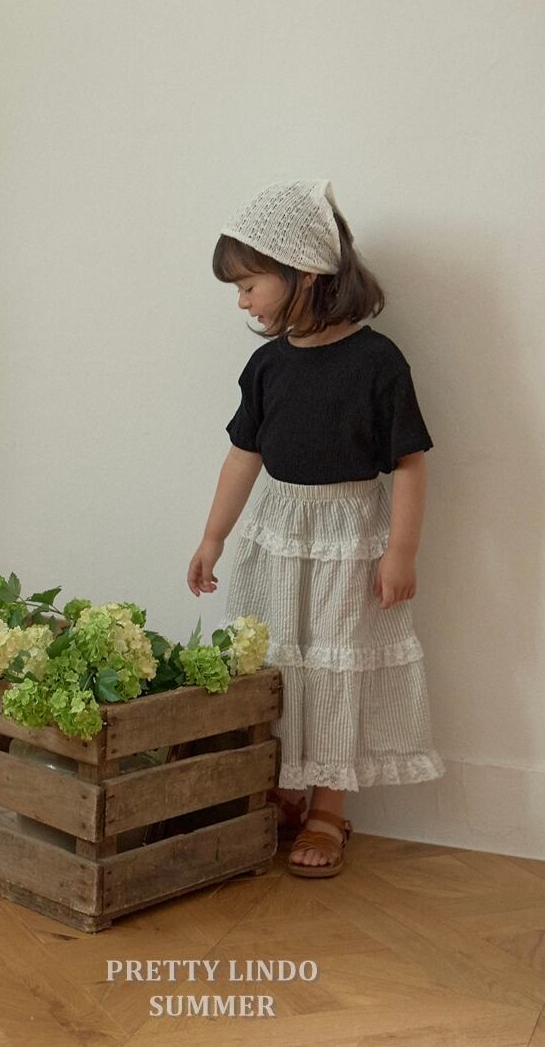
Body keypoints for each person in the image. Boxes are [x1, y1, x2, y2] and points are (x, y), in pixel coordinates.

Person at [187, 178, 445, 879]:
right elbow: (244, 455)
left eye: (249, 285)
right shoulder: (268, 366)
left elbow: (409, 464)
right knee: (276, 662)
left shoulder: (376, 363)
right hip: (279, 535)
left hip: (349, 539)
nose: (242, 302)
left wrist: (402, 551)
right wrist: (213, 537)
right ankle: (282, 786)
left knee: (335, 665)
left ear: (303, 272)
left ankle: (329, 806)